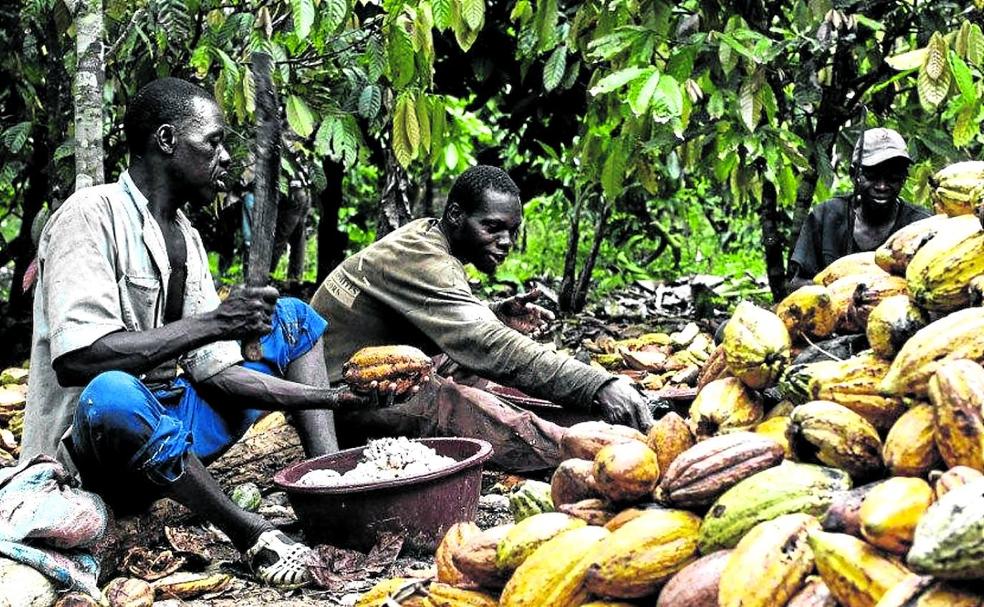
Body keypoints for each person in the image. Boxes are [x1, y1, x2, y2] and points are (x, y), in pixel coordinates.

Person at [22, 77, 406, 588]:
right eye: (214, 141)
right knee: (114, 394)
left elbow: (217, 373)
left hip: (172, 419)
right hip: (97, 446)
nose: (225, 157)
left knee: (290, 316)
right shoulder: (87, 217)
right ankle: (252, 536)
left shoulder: (187, 236)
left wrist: (330, 398)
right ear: (166, 140)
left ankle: (327, 489)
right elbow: (79, 360)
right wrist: (216, 322)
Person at [310, 165, 654, 471]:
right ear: (457, 215)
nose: (505, 242)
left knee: (477, 375)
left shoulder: (426, 235)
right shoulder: (428, 261)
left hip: (376, 370)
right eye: (492, 227)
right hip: (342, 395)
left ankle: (576, 420)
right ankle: (573, 448)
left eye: (512, 231)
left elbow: (439, 320)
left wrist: (494, 314)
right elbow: (488, 346)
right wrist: (599, 384)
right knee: (449, 400)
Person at [787, 127, 932, 291]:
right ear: (853, 174)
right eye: (871, 176)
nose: (882, 186)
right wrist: (839, 290)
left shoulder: (921, 225)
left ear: (904, 178)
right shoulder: (826, 216)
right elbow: (796, 284)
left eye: (893, 177)